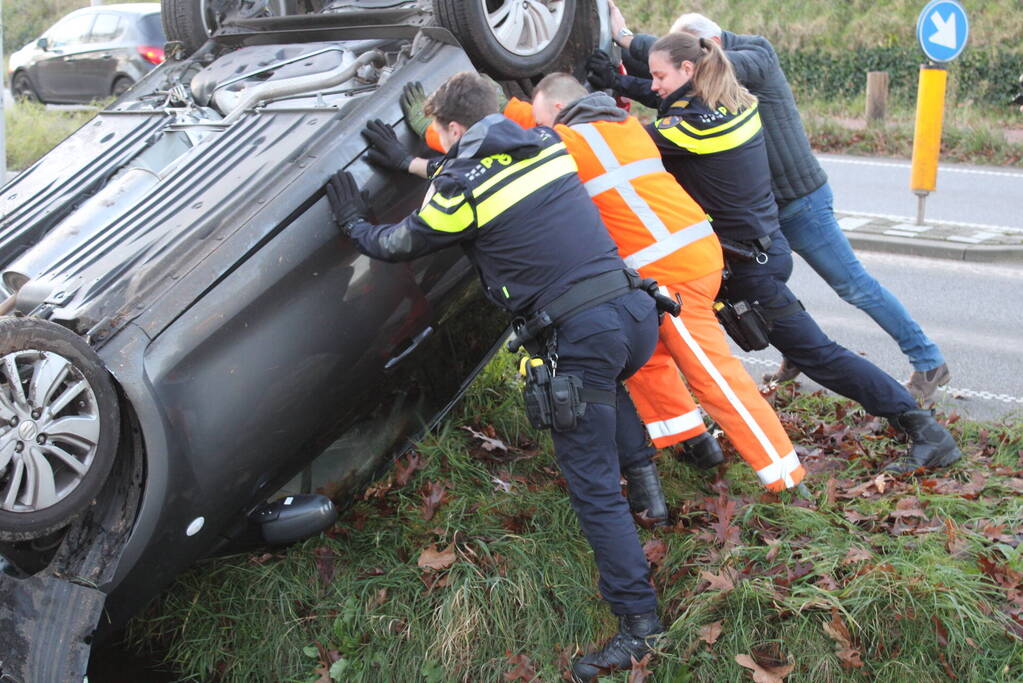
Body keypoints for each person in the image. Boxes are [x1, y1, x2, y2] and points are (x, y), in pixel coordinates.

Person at [328, 71, 664, 680]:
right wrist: (412, 163)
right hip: (632, 313)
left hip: (580, 332)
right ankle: (650, 495)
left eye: (446, 136)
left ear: (456, 130)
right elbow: (487, 178)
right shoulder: (545, 144)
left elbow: (404, 240)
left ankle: (640, 627)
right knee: (607, 383)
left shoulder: (459, 182)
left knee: (591, 488)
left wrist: (354, 224)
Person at [406, 74, 808, 498]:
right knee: (648, 361)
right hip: (683, 256)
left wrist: (432, 133)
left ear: (559, 114)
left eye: (545, 121)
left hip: (671, 270)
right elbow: (518, 117)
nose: (541, 129)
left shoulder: (569, 144)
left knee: (716, 379)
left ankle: (786, 477)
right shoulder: (623, 125)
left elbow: (494, 146)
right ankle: (693, 445)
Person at [588, 4, 951, 402]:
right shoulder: (706, 87)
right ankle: (794, 351)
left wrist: (627, 39)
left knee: (853, 286)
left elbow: (688, 84)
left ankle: (928, 360)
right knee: (768, 288)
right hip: (761, 211)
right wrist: (624, 82)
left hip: (800, 201)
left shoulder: (755, 55)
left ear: (708, 48)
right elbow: (674, 93)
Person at [636, 32, 962, 475]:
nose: (653, 85)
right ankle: (689, 440)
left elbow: (632, 141)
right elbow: (666, 110)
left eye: (659, 76)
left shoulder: (695, 125)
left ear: (688, 71)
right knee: (684, 343)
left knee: (818, 355)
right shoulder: (732, 104)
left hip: (751, 268)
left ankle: (924, 430)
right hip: (763, 252)